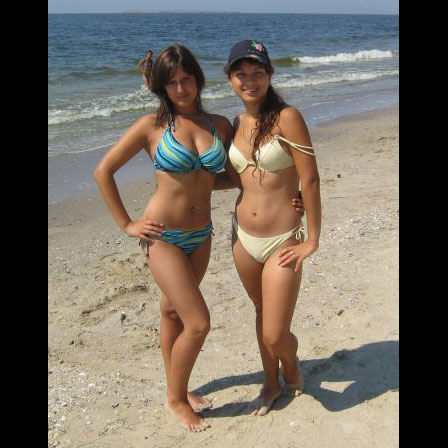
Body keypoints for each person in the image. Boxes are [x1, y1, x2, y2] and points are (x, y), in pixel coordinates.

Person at [95, 44, 234, 432]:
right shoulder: (151, 126)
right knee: (198, 323)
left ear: (198, 79)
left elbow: (223, 177)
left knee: (173, 312)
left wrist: (273, 189)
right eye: (172, 83)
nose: (181, 89)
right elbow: (103, 171)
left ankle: (180, 386)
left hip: (201, 235)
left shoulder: (220, 125)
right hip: (163, 237)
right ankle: (175, 399)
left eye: (187, 79)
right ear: (162, 87)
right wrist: (127, 224)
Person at [224, 40, 321, 416]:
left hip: (284, 239)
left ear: (269, 75)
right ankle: (270, 382)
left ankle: (291, 366)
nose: (250, 81)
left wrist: (312, 238)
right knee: (261, 312)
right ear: (230, 79)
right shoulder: (234, 124)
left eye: (258, 73)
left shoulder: (288, 117)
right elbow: (234, 178)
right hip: (242, 238)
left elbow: (310, 179)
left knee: (275, 332)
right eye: (241, 74)